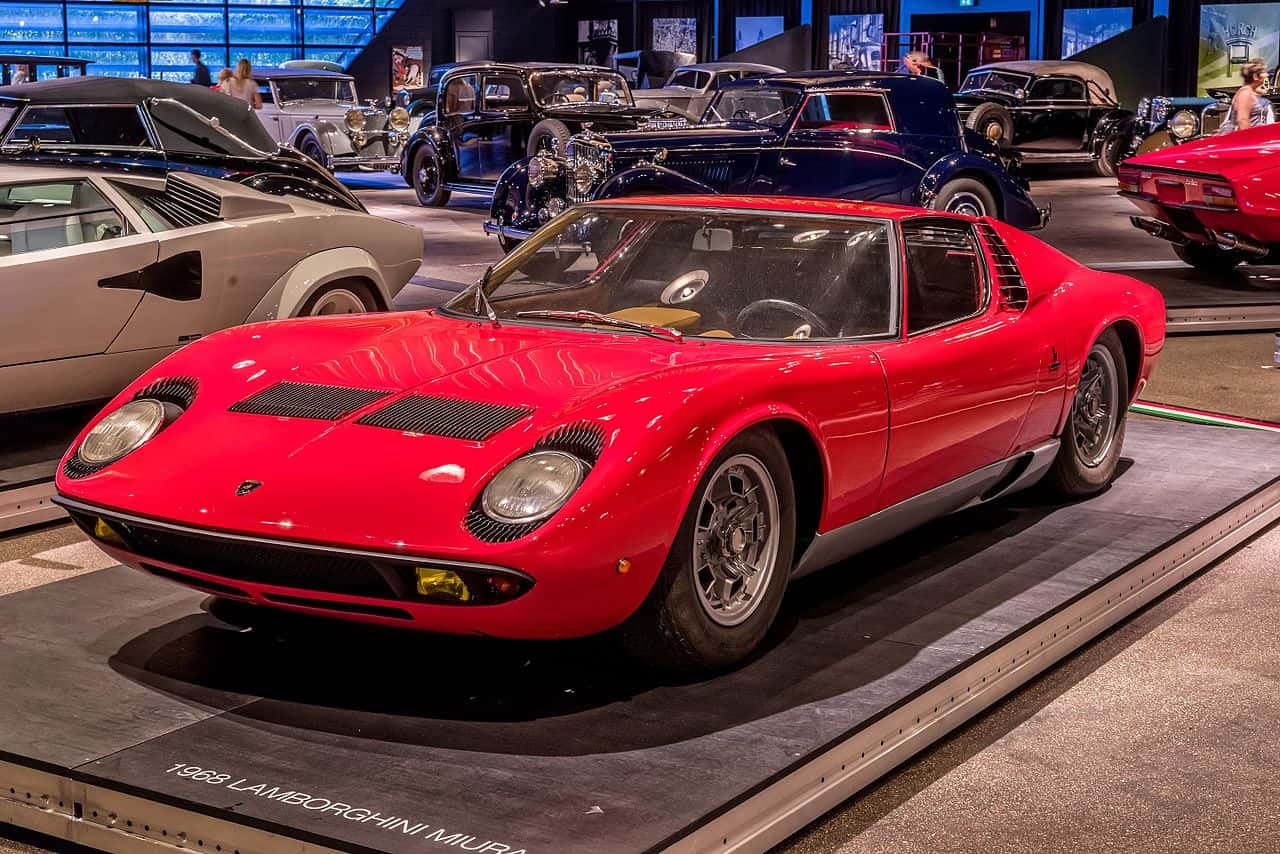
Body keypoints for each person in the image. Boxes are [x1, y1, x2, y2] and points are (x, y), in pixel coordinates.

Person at [1220, 59, 1273, 134]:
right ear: (1255, 76)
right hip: (1246, 140)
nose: (1267, 75)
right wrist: (1248, 139)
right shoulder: (1245, 93)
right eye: (1263, 72)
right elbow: (1242, 120)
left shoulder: (1250, 92)